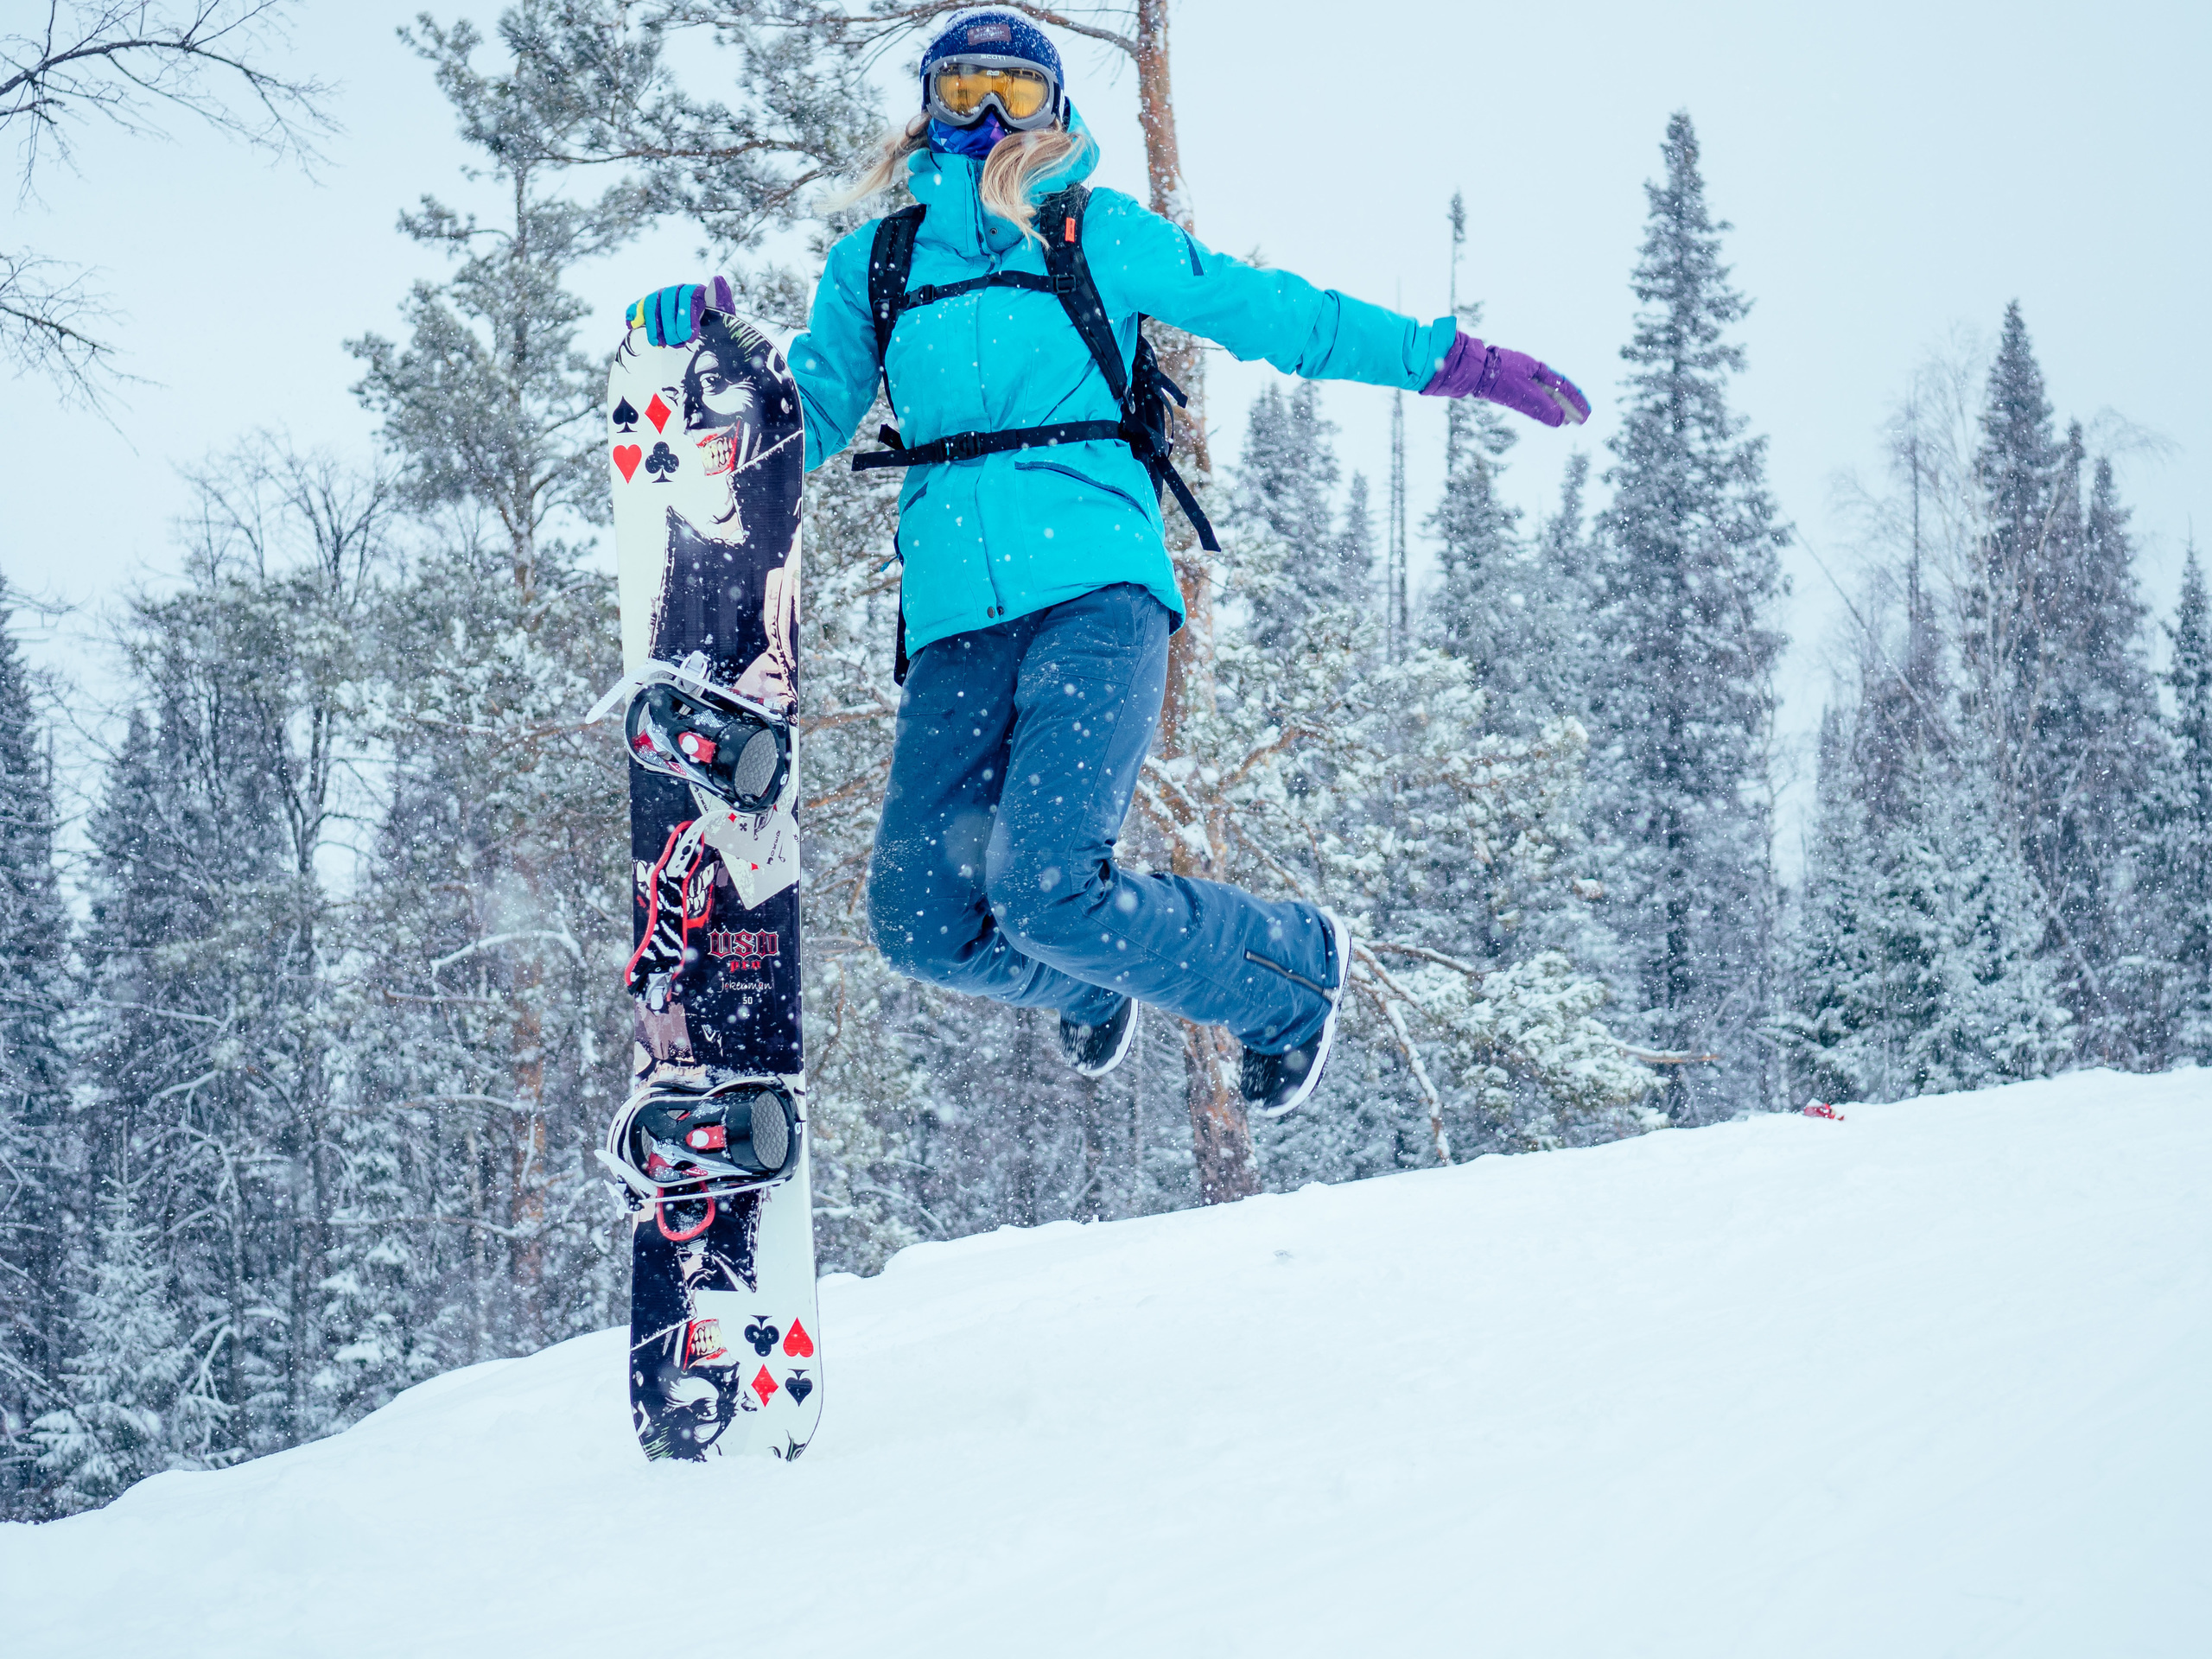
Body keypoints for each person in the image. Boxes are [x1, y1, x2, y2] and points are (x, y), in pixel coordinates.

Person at [629, 7, 1588, 1119]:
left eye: (1016, 94)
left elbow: (1276, 315)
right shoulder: (875, 263)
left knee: (1043, 888)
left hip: (1094, 591)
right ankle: (1084, 986)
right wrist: (704, 360)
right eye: (962, 91)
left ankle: (1287, 972)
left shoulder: (1095, 234)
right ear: (927, 109)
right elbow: (807, 421)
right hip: (954, 625)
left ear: (1057, 110)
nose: (989, 118)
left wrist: (1451, 361)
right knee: (917, 926)